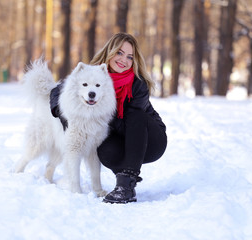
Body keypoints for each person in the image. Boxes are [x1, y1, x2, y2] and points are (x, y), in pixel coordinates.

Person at [51, 32, 167, 204]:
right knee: (104, 150)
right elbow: (58, 91)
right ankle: (123, 179)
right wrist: (66, 116)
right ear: (110, 52)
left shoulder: (138, 84)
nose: (123, 60)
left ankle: (126, 186)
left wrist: (101, 118)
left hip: (150, 139)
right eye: (119, 53)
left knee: (134, 115)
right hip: (121, 137)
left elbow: (132, 122)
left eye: (130, 57)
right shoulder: (93, 74)